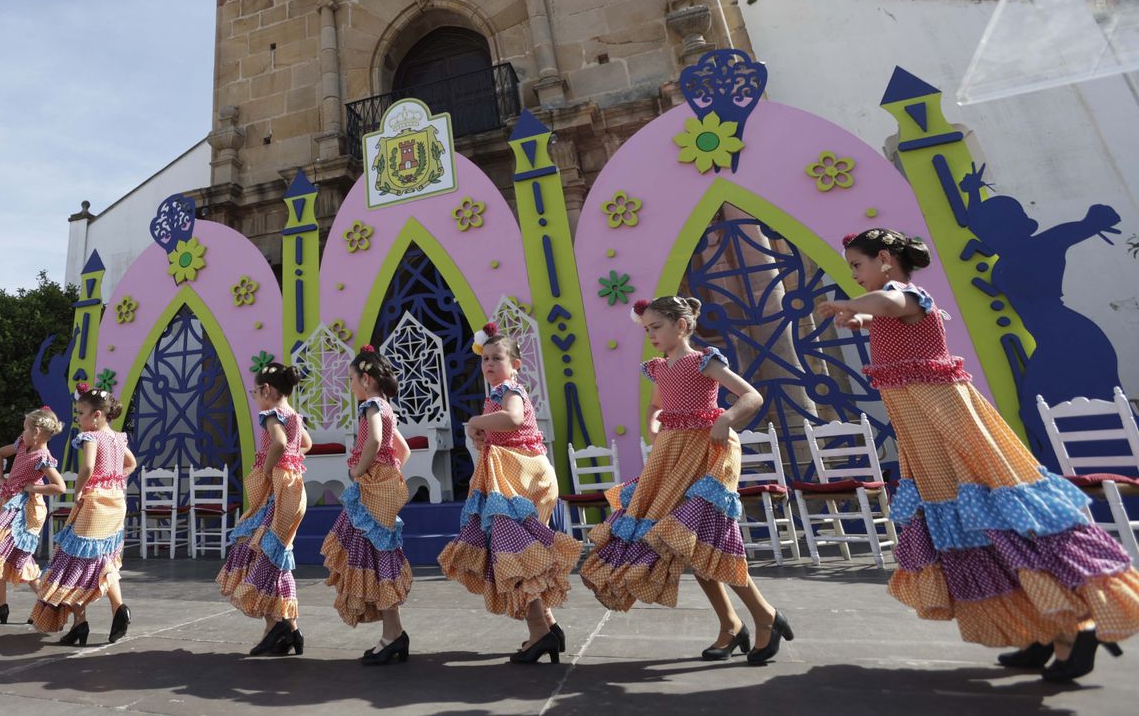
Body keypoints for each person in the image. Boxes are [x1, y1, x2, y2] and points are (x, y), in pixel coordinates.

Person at [818, 228, 1139, 683]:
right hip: (926, 433)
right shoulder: (891, 306)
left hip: (950, 424)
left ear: (885, 258)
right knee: (974, 527)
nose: (854, 274)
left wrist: (850, 305)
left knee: (1000, 515)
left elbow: (890, 304)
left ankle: (1076, 625)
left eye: (857, 265)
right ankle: (1043, 628)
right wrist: (860, 320)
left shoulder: (908, 296)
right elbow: (883, 315)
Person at [580, 296, 792, 664]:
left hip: (707, 452)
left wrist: (725, 419)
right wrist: (653, 423)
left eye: (656, 327)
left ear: (681, 325)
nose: (651, 335)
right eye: (647, 329)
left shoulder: (703, 361)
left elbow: (751, 396)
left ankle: (764, 615)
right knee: (686, 544)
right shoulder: (659, 368)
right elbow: (656, 407)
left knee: (709, 539)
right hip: (671, 455)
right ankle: (731, 624)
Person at [438, 326, 582, 664]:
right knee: (522, 551)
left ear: (515, 364)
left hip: (523, 477)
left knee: (514, 553)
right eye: (485, 359)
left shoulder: (509, 390)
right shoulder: (497, 394)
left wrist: (475, 420)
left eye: (497, 358)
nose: (489, 364)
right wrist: (481, 432)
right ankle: (548, 626)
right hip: (518, 476)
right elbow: (500, 428)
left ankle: (540, 632)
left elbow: (514, 419)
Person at [320, 347, 415, 664]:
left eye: (351, 379)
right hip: (385, 486)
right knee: (379, 554)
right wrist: (389, 474)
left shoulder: (372, 406)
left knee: (374, 555)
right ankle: (394, 633)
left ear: (366, 379)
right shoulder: (386, 407)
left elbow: (374, 440)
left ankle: (392, 636)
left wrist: (359, 471)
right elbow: (403, 450)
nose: (350, 386)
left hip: (374, 487)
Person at [217, 360, 313, 657]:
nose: (255, 398)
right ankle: (290, 629)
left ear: (267, 390)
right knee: (274, 554)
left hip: (279, 491)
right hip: (294, 488)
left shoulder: (271, 414)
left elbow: (280, 443)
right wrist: (291, 462)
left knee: (260, 551)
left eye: (255, 392)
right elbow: (305, 443)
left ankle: (276, 628)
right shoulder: (293, 415)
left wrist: (269, 469)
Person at [32, 384, 137, 645]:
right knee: (103, 558)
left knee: (74, 561)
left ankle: (81, 622)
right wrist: (115, 480)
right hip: (116, 501)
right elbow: (131, 463)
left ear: (97, 415)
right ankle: (117, 609)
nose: (78, 418)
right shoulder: (118, 438)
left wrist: (79, 490)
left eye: (81, 413)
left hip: (95, 503)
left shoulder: (91, 437)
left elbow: (88, 467)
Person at [0, 407, 66, 624]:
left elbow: (59, 486)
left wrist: (32, 488)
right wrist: (1, 478)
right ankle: (1, 606)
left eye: (25, 429)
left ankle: (47, 603)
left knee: (18, 556)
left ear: (36, 432)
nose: (22, 433)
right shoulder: (22, 444)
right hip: (7, 504)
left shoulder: (43, 457)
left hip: (26, 510)